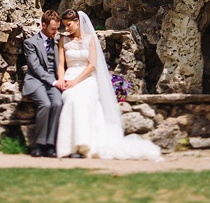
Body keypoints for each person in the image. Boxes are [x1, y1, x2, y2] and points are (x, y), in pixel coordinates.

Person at [55, 9, 163, 160]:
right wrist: (61, 79)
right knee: (71, 98)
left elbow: (92, 65)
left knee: (84, 98)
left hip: (87, 78)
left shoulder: (90, 39)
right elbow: (61, 65)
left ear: (78, 22)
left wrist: (76, 81)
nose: (66, 28)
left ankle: (85, 144)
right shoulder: (63, 40)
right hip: (69, 76)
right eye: (65, 25)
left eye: (69, 25)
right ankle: (71, 145)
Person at [22, 10, 63, 158]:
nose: (55, 32)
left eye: (57, 29)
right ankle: (39, 144)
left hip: (52, 82)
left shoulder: (57, 43)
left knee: (58, 103)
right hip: (36, 81)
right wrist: (54, 81)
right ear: (44, 25)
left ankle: (50, 145)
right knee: (45, 104)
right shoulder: (30, 43)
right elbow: (35, 67)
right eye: (53, 29)